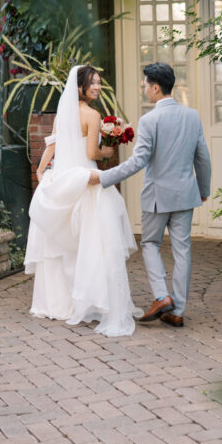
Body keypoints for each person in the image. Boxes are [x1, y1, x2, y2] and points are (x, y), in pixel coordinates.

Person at [89, 62, 211, 328]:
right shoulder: (193, 116)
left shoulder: (149, 120)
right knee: (183, 250)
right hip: (185, 195)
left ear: (156, 87)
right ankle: (177, 310)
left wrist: (104, 177)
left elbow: (138, 162)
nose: (144, 89)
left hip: (157, 197)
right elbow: (202, 158)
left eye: (145, 85)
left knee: (151, 244)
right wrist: (203, 189)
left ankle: (161, 296)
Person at [24, 64, 141, 337]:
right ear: (80, 87)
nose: (97, 87)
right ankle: (88, 301)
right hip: (84, 181)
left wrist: (41, 170)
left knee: (58, 244)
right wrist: (111, 144)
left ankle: (57, 304)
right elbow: (93, 152)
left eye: (99, 82)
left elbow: (52, 145)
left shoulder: (62, 114)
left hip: (64, 180)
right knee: (90, 244)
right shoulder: (93, 114)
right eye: (93, 82)